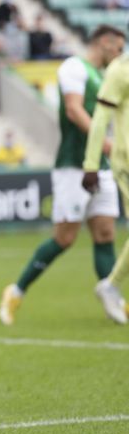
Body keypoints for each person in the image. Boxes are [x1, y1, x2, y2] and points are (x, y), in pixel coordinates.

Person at [0, 25, 126, 326]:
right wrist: (107, 144)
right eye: (118, 47)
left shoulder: (106, 75)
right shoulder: (74, 67)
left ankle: (113, 296)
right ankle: (16, 291)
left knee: (106, 232)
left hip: (101, 164)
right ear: (104, 42)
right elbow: (73, 109)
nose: (120, 55)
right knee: (65, 237)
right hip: (75, 163)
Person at [81, 27, 129, 325]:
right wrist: (90, 163)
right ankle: (111, 284)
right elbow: (100, 119)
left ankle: (111, 284)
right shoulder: (120, 70)